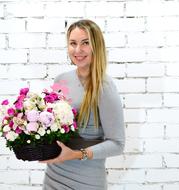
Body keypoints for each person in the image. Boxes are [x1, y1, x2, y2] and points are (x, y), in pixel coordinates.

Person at [40, 19, 125, 190]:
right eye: (73, 43)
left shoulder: (104, 87)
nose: (78, 50)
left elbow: (117, 144)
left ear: (96, 46)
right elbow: (52, 126)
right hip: (53, 177)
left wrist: (76, 154)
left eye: (85, 43)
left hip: (86, 182)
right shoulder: (61, 80)